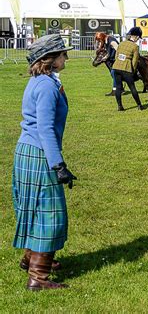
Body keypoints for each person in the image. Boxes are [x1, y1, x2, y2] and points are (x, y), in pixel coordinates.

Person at [13, 34, 77, 290]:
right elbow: (45, 128)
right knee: (50, 214)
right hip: (40, 153)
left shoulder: (39, 81)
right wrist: (58, 165)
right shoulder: (47, 87)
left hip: (27, 151)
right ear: (49, 59)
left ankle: (32, 259)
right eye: (62, 54)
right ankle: (38, 278)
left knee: (33, 207)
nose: (66, 57)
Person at [113, 27, 146, 111]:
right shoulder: (135, 47)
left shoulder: (121, 43)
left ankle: (120, 106)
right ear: (137, 37)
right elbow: (134, 61)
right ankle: (139, 105)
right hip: (126, 68)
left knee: (118, 87)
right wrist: (133, 71)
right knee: (132, 88)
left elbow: (116, 56)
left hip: (116, 67)